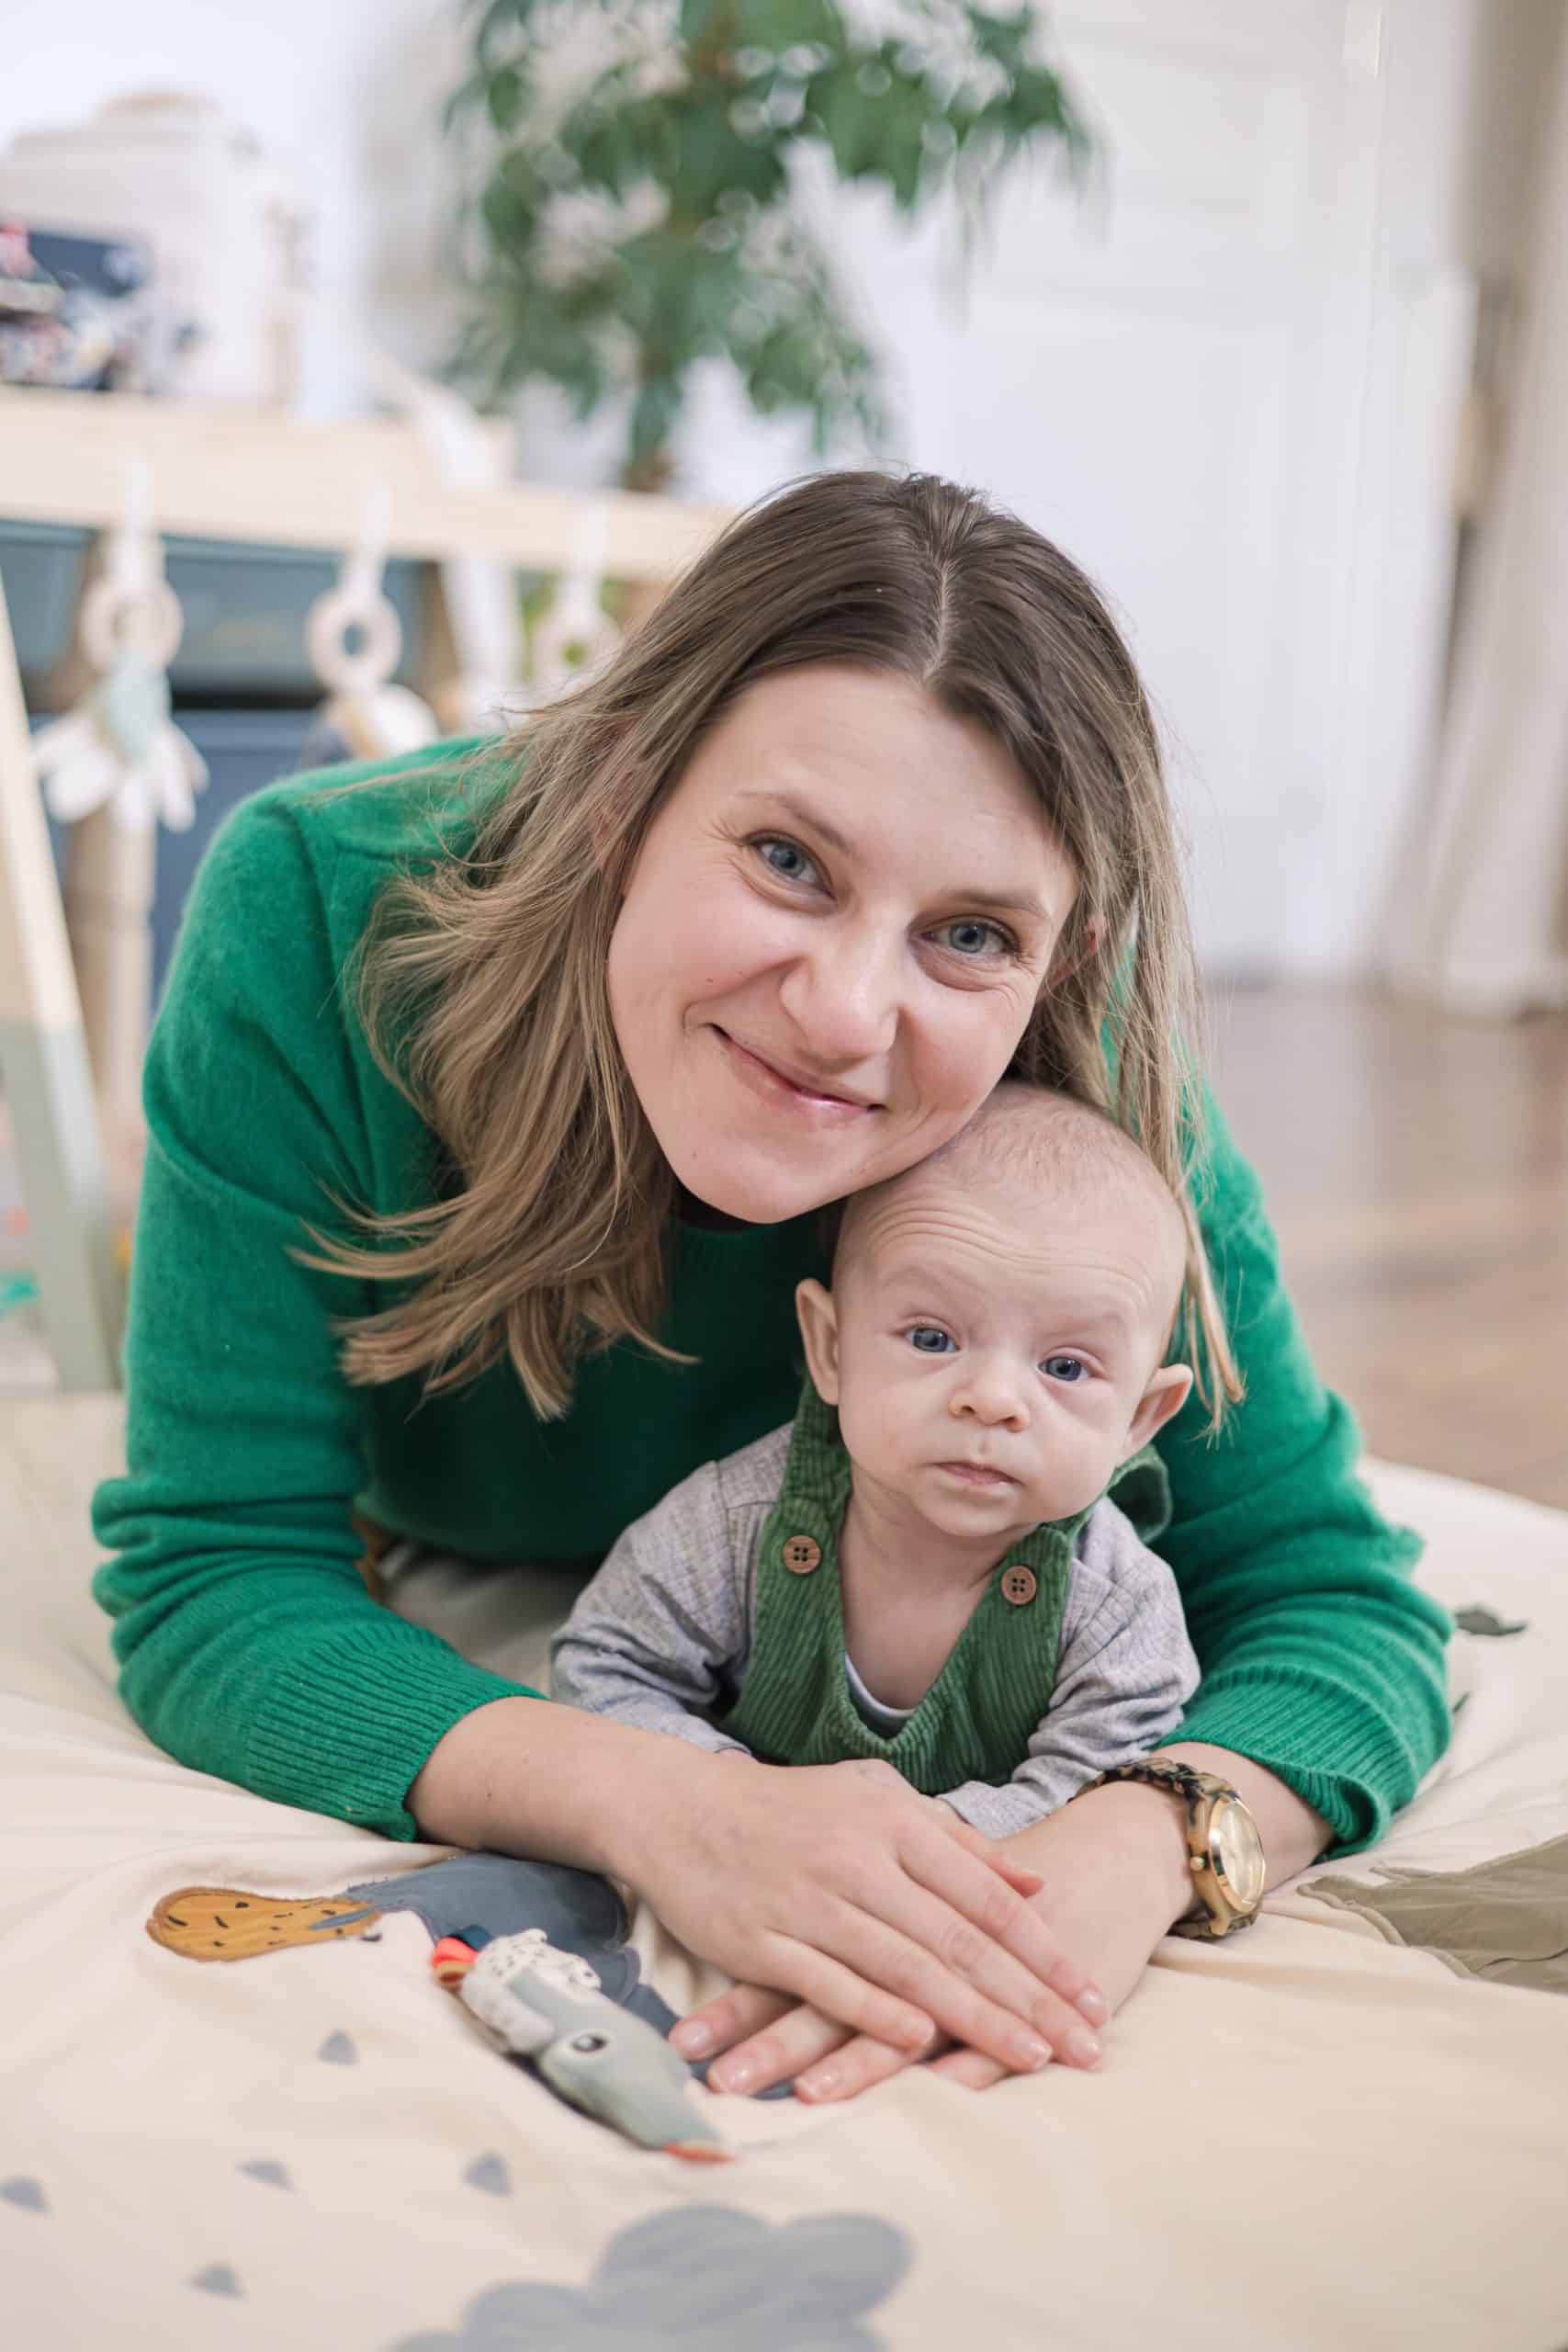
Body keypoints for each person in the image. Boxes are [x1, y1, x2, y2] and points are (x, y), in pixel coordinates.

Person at [91, 469, 1451, 2109]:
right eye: (789, 861)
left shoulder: (1093, 1095)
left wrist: (1132, 1846)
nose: (842, 1013)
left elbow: (1331, 1593)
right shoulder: (316, 915)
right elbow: (219, 1573)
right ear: (618, 802)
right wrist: (667, 1807)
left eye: (967, 935)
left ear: (1059, 966)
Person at [550, 1082, 1202, 1839]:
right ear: (829, 1349)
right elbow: (602, 1669)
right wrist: (732, 1794)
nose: (992, 1400)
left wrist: (923, 1843)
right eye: (932, 1339)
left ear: (1138, 1420)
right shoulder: (735, 1525)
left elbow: (1109, 1798)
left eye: (1064, 1368)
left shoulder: (1118, 1609)